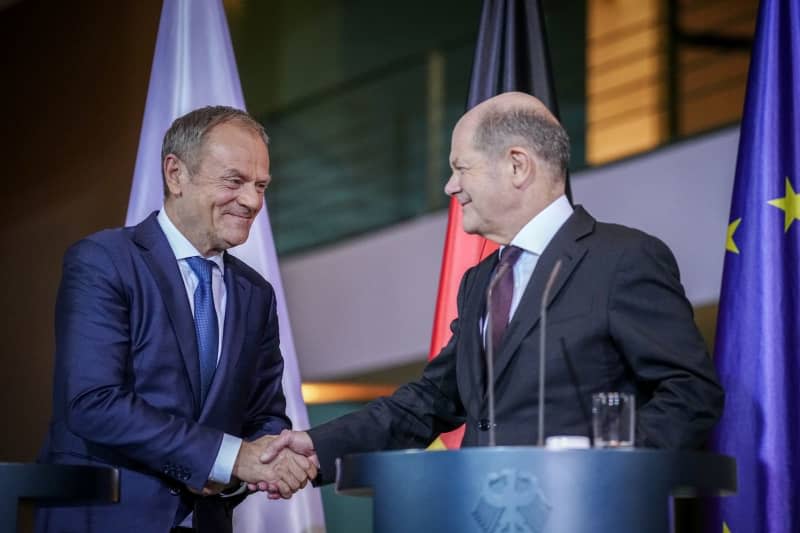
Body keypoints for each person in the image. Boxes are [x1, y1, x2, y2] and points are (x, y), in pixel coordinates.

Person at [258, 91, 724, 490]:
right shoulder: (481, 280)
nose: (450, 186)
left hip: (587, 512)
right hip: (481, 511)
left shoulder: (622, 259)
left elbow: (690, 391)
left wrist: (610, 471)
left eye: (461, 168)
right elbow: (432, 402)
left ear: (517, 165)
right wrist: (316, 445)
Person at [36, 106, 316, 533]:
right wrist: (226, 457)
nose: (253, 201)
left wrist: (273, 456)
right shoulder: (103, 261)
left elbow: (264, 413)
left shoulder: (256, 294)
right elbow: (93, 402)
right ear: (175, 174)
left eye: (261, 185)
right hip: (104, 517)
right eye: (234, 181)